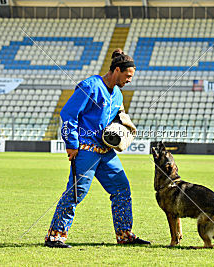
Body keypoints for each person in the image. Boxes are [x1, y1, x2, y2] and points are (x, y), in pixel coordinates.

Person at [45, 49, 151, 248]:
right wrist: (71, 144)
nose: (129, 80)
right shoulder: (90, 86)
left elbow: (114, 119)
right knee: (77, 193)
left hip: (106, 152)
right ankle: (55, 236)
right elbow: (68, 114)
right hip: (85, 150)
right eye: (127, 76)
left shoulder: (118, 94)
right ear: (117, 70)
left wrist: (124, 127)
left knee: (122, 189)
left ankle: (124, 235)